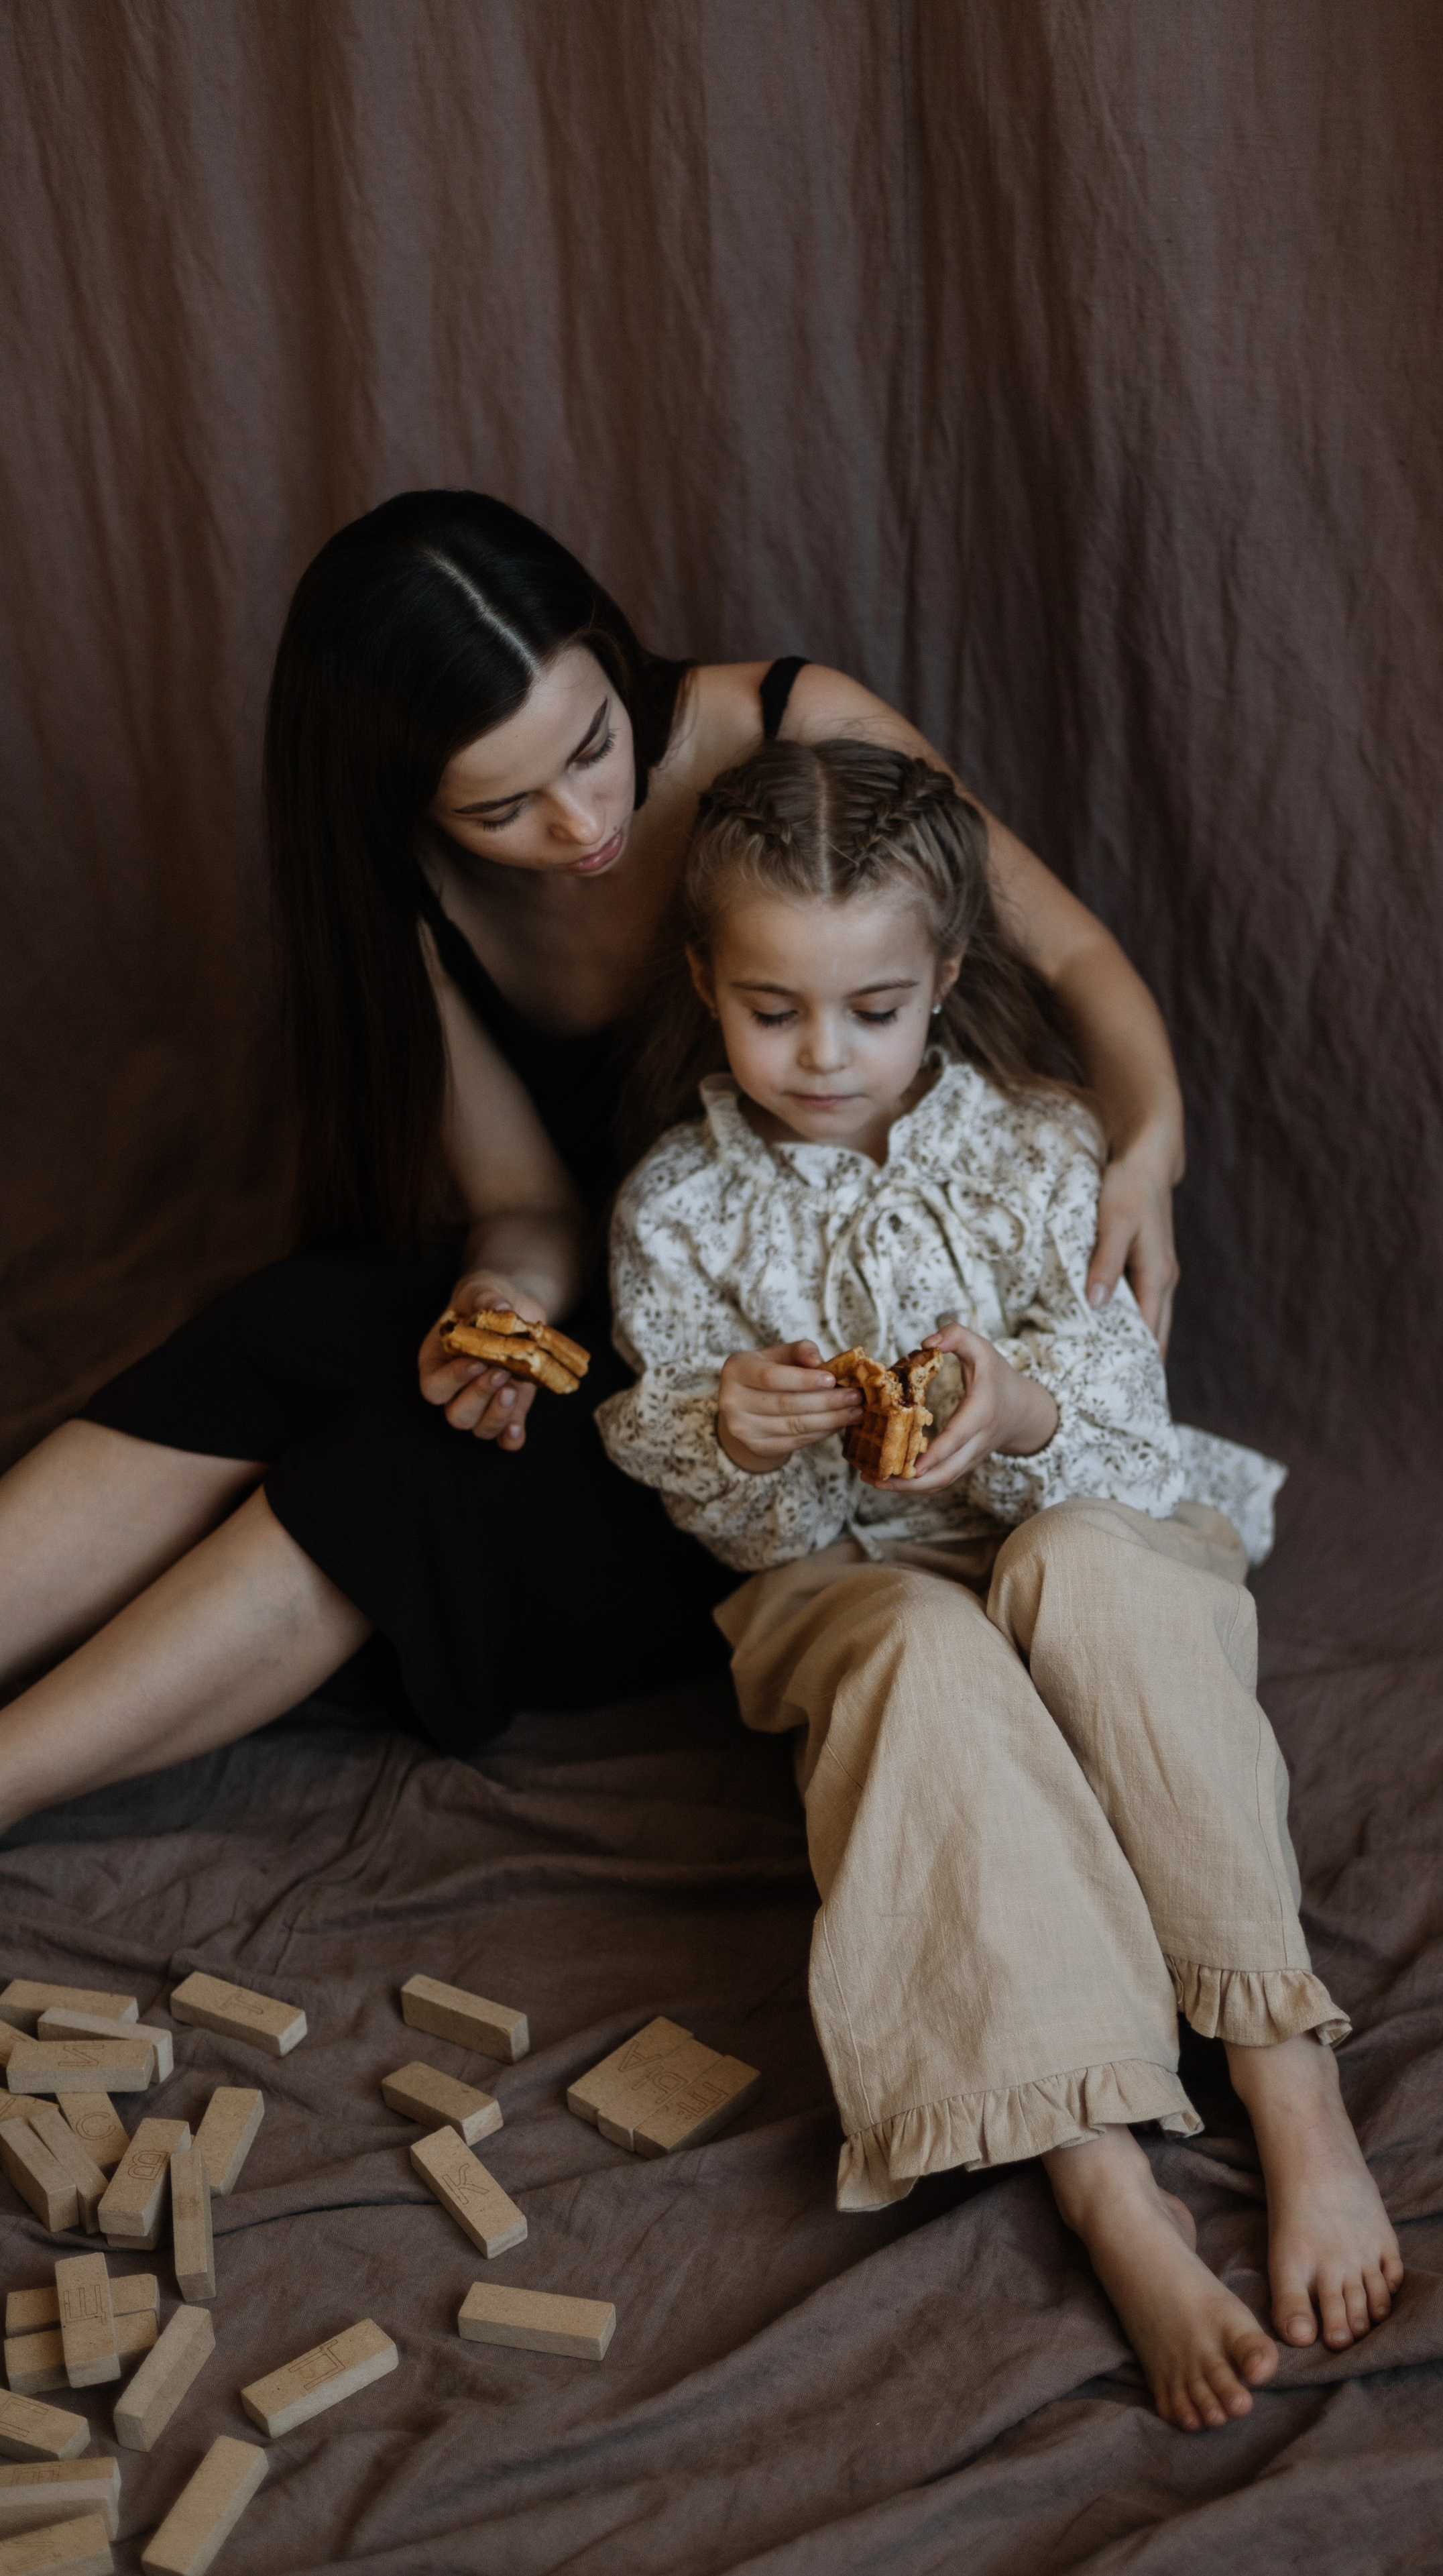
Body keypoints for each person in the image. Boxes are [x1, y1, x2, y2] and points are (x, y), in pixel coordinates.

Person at [0, 490, 1186, 1830]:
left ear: (614, 660)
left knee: (392, 1474)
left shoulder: (791, 724)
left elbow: (1075, 955)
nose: (579, 823)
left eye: (595, 747)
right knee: (285, 1321)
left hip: (760, 1391)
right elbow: (525, 1208)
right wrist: (497, 1304)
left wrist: (1145, 1152)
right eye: (502, 806)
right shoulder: (406, 890)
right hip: (632, 1280)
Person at [595, 736, 1403, 2432]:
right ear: (703, 986)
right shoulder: (675, 1213)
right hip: (841, 1565)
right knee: (913, 1658)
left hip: (1079, 1516)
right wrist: (729, 1434)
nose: (823, 1057)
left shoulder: (1041, 1152)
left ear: (944, 983)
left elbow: (1124, 1418)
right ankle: (1098, 2169)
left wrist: (1020, 1405)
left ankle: (1279, 2070)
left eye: (872, 1010)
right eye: (771, 1011)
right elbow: (716, 1525)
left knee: (1088, 1576)